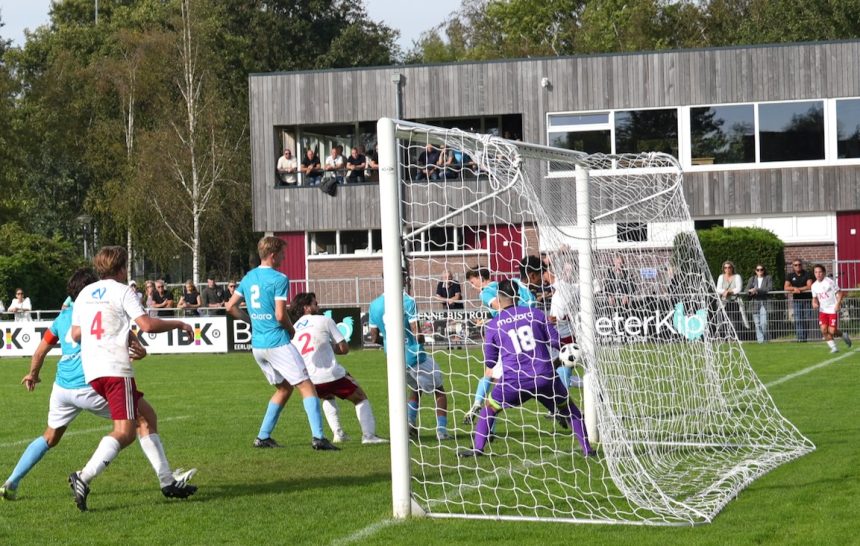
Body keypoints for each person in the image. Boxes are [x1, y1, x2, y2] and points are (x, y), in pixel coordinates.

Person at [0, 268, 196, 502]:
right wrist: (139, 349)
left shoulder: (63, 318)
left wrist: (32, 374)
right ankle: (164, 480)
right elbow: (119, 335)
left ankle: (12, 481)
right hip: (92, 384)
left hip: (62, 389)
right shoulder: (99, 308)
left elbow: (40, 351)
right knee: (142, 420)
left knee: (49, 437)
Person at [67, 246, 196, 511]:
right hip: (115, 369)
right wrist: (179, 323)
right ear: (121, 268)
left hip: (93, 370)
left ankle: (167, 482)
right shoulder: (122, 291)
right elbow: (147, 324)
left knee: (146, 417)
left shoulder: (84, 294)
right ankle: (83, 476)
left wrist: (118, 334)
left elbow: (77, 334)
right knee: (124, 433)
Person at [457, 280, 594, 458]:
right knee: (570, 409)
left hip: (515, 381)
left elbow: (490, 362)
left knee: (489, 407)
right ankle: (588, 450)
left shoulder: (493, 324)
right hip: (544, 376)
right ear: (517, 295)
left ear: (498, 297)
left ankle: (478, 449)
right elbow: (555, 341)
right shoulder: (536, 314)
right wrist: (566, 352)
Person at [225, 236, 337, 451]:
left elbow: (230, 307)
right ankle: (319, 438)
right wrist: (292, 329)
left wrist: (252, 322)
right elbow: (279, 315)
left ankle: (263, 437)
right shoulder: (279, 278)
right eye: (283, 254)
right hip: (277, 342)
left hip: (258, 346)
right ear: (273, 255)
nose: (284, 258)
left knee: (284, 388)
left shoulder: (249, 277)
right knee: (306, 385)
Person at [289, 292, 387, 444]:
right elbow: (344, 348)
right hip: (331, 373)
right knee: (360, 397)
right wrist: (331, 347)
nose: (318, 306)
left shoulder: (293, 329)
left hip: (309, 379)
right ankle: (369, 436)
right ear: (306, 308)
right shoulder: (324, 320)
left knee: (327, 396)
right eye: (315, 304)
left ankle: (338, 434)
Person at [368, 271, 449, 441]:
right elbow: (416, 332)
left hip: (393, 358)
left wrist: (390, 343)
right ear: (402, 279)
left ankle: (410, 423)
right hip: (413, 355)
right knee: (439, 391)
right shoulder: (407, 300)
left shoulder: (374, 305)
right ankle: (442, 431)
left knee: (416, 388)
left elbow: (373, 337)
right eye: (405, 277)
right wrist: (422, 339)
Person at [463, 266, 536, 423]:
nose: (472, 285)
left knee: (495, 379)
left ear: (480, 277)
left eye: (472, 281)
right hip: (524, 330)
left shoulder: (485, 292)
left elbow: (502, 308)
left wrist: (495, 322)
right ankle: (479, 407)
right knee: (491, 374)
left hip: (507, 334)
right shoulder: (506, 284)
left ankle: (479, 406)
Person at [811, 264, 852, 354]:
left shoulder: (829, 282)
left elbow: (840, 293)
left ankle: (843, 335)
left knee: (832, 331)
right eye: (816, 272)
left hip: (832, 309)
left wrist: (838, 304)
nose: (818, 274)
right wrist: (814, 303)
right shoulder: (814, 286)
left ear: (824, 273)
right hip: (823, 310)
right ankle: (834, 348)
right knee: (823, 330)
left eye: (820, 272)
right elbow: (814, 298)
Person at [785, 259, 815, 342]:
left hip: (807, 300)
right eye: (795, 265)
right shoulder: (790, 275)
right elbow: (786, 287)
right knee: (798, 319)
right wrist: (794, 288)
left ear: (802, 265)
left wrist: (799, 289)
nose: (798, 266)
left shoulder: (807, 274)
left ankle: (808, 336)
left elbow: (809, 286)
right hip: (797, 300)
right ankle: (800, 338)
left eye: (799, 264)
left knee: (808, 318)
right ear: (793, 266)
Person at [716, 260, 747, 333]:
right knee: (723, 321)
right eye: (725, 268)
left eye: (729, 267)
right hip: (723, 302)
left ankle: (737, 336)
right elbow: (718, 289)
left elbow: (738, 289)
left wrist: (729, 292)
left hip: (734, 301)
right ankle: (725, 336)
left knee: (736, 321)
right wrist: (724, 291)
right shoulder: (721, 277)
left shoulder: (737, 276)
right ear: (723, 269)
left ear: (732, 268)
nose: (727, 269)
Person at [746, 264, 773, 343]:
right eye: (758, 270)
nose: (760, 271)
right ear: (755, 271)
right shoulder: (752, 279)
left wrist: (757, 290)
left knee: (764, 323)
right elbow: (746, 289)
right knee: (757, 323)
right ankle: (761, 341)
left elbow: (769, 288)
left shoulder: (768, 278)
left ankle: (765, 338)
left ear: (764, 270)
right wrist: (750, 291)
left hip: (764, 302)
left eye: (761, 269)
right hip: (755, 303)